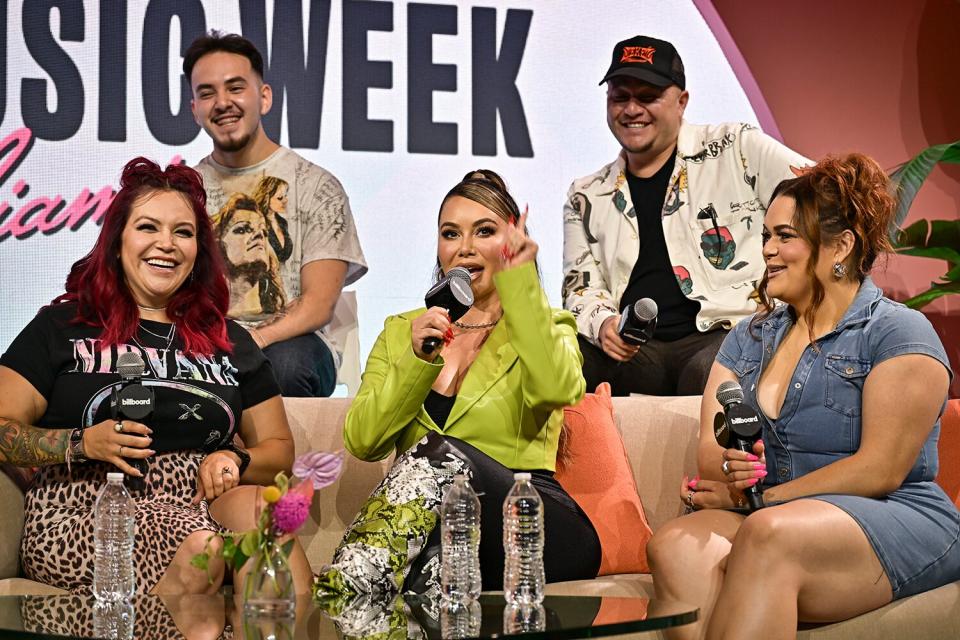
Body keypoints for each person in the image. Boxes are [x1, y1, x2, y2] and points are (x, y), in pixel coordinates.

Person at [647, 154, 960, 639]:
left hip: (896, 516)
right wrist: (734, 478)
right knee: (676, 544)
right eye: (766, 235)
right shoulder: (748, 339)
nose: (768, 250)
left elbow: (879, 470)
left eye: (785, 236)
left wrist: (762, 499)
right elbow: (713, 460)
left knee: (769, 534)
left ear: (840, 246)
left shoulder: (898, 332)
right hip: (776, 515)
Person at [0, 157, 310, 597]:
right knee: (201, 548)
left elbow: (279, 452)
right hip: (90, 506)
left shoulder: (230, 340)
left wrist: (235, 460)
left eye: (183, 232)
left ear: (198, 250)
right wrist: (81, 442)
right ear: (117, 240)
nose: (166, 244)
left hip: (199, 504)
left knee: (270, 527)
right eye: (148, 227)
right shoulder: (62, 326)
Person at [314, 170, 601, 598]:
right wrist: (417, 361)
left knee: (437, 450)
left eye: (484, 231)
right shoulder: (403, 333)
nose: (464, 247)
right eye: (451, 233)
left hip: (534, 523)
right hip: (447, 535)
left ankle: (352, 578)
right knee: (434, 570)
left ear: (510, 243)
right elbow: (363, 441)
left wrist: (520, 287)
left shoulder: (547, 324)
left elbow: (556, 389)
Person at [562, 35, 811, 396]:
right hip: (638, 351)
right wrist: (603, 325)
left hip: (731, 331)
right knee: (566, 361)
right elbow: (580, 288)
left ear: (681, 102)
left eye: (647, 97)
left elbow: (821, 192)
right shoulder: (585, 194)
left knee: (709, 373)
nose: (632, 109)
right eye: (620, 97)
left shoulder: (736, 147)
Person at [184, 30, 367, 398]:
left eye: (235, 88)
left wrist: (253, 340)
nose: (222, 103)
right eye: (207, 93)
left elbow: (317, 306)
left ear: (264, 97)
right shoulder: (185, 192)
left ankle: (276, 457)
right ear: (195, 110)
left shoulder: (316, 186)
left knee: (284, 365)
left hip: (294, 344)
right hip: (205, 345)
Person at [213, 193, 286, 316]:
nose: (259, 235)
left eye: (264, 231)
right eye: (242, 229)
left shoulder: (283, 321)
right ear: (218, 246)